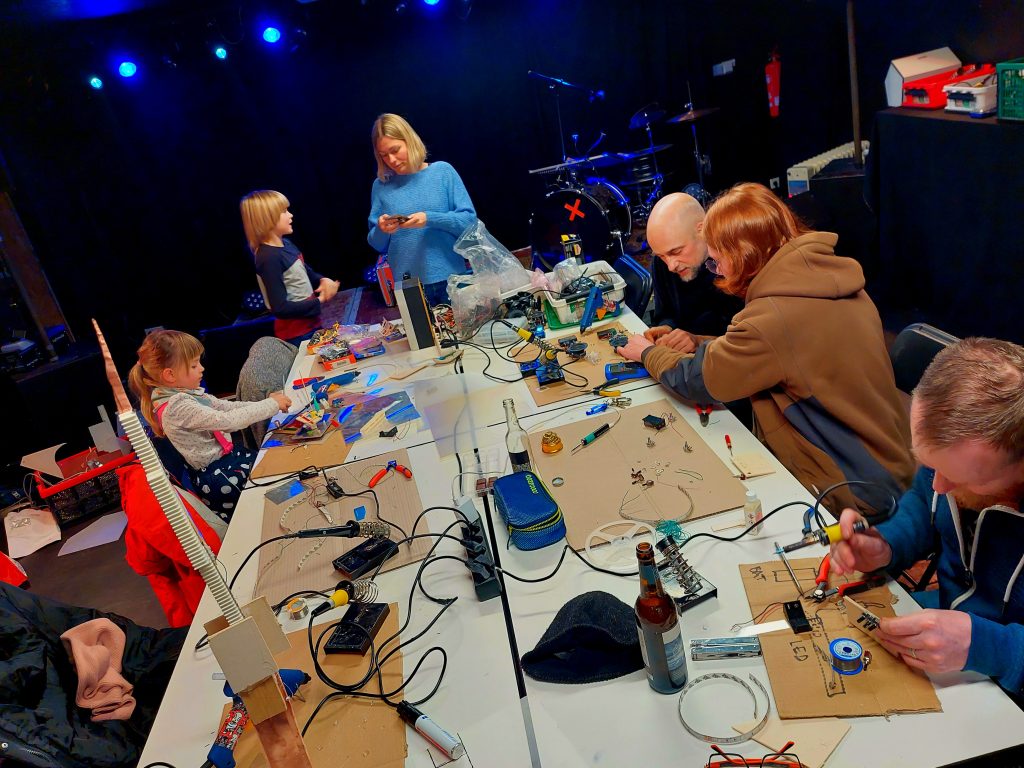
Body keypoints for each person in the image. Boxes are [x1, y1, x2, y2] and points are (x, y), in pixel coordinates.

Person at [616, 182, 913, 516]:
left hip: (854, 490)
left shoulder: (772, 316)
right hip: (892, 464)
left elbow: (699, 380)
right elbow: (779, 352)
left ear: (744, 253)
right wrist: (699, 342)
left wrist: (647, 353)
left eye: (718, 261)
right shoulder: (829, 279)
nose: (719, 272)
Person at [831, 338, 1024, 696]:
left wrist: (994, 648)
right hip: (950, 632)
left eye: (964, 480)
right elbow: (925, 502)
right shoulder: (955, 466)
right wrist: (888, 544)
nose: (939, 485)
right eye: (931, 466)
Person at [128, 329, 291, 521]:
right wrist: (271, 405)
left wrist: (266, 403)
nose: (201, 368)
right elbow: (228, 421)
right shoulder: (177, 406)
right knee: (259, 512)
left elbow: (227, 407)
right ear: (170, 375)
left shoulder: (185, 394)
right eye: (194, 365)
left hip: (230, 461)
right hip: (221, 475)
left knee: (274, 487)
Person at [367, 113, 477, 308]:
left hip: (453, 280)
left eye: (395, 150)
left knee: (464, 328)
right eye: (383, 155)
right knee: (420, 330)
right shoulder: (380, 186)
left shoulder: (442, 172)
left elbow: (469, 223)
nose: (391, 160)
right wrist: (382, 230)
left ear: (409, 140)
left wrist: (429, 218)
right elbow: (377, 244)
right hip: (409, 287)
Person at [644, 192, 743, 351]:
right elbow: (665, 313)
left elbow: (749, 342)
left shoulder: (737, 265)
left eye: (676, 252)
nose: (670, 266)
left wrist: (699, 341)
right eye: (661, 255)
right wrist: (667, 328)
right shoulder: (662, 262)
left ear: (701, 229)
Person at [241, 189, 340, 345]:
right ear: (268, 218)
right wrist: (320, 300)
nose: (290, 215)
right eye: (284, 211)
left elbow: (305, 271)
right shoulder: (268, 257)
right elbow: (280, 308)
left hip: (311, 325)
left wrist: (323, 280)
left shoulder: (286, 244)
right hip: (297, 334)